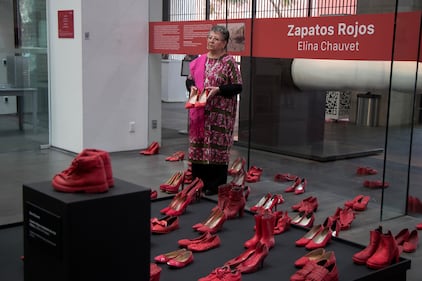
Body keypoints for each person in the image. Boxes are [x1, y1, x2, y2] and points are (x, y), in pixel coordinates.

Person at [185, 25, 243, 195]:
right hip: (199, 113)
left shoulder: (229, 62)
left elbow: (237, 87)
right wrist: (192, 89)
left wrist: (218, 90)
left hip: (220, 115)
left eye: (216, 39)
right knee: (199, 147)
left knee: (217, 149)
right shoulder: (200, 60)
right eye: (210, 37)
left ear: (224, 43)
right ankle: (198, 183)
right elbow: (189, 81)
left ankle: (214, 185)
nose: (211, 41)